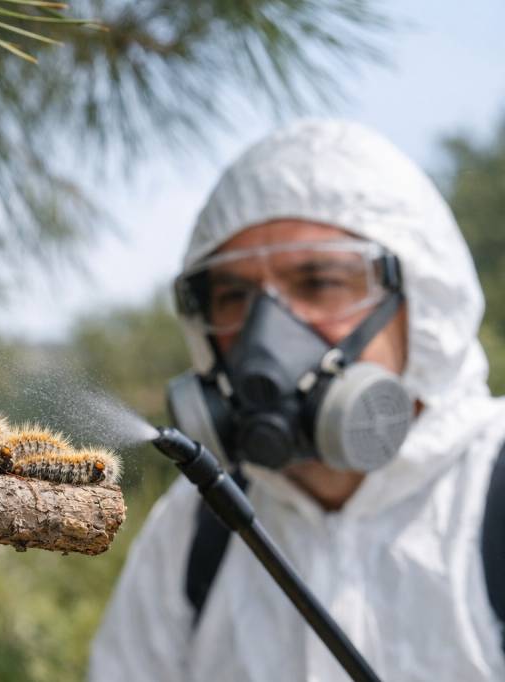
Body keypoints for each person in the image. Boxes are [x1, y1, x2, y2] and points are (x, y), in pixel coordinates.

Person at [88, 119, 505, 681]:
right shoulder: (196, 529)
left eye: (321, 283)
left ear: (423, 301)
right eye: (234, 295)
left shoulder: (490, 496)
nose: (269, 334)